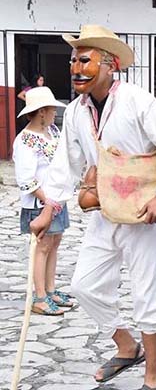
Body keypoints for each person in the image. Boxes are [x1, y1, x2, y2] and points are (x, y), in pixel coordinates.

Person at [29, 25, 156, 390]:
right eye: (73, 61)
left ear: (110, 64)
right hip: (106, 211)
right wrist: (48, 209)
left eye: (84, 60)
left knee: (146, 294)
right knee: (84, 286)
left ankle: (153, 376)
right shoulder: (74, 112)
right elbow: (65, 165)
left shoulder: (138, 101)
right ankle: (125, 344)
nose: (76, 68)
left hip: (145, 214)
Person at [13, 86, 72, 316]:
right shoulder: (26, 140)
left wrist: (57, 198)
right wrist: (48, 201)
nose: (54, 113)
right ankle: (39, 296)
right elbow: (26, 179)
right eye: (51, 110)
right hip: (40, 204)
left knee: (55, 242)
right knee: (42, 246)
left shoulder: (53, 131)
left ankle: (50, 289)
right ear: (41, 112)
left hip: (56, 200)